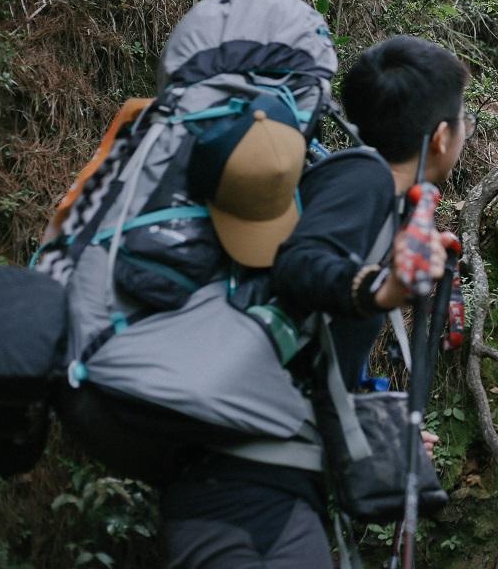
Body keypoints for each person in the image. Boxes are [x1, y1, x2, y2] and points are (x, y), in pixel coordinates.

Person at [160, 35, 473, 568]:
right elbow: (301, 264)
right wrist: (379, 287)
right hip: (243, 491)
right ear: (442, 137)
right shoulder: (364, 178)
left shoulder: (373, 197)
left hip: (258, 483)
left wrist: (373, 427)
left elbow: (307, 344)